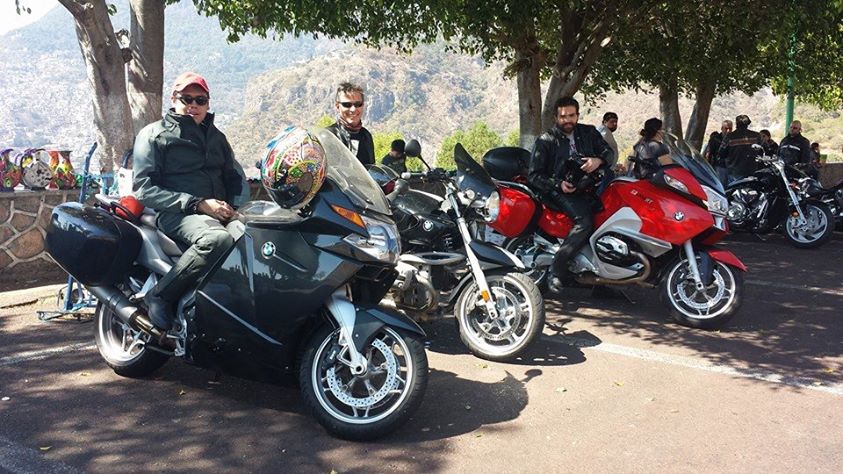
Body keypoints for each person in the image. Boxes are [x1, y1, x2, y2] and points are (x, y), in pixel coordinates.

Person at [133, 72, 245, 332]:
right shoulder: (154, 135)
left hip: (218, 213)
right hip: (176, 212)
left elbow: (234, 177)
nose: (193, 105)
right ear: (174, 99)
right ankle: (161, 295)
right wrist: (197, 204)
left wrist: (237, 208)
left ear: (208, 103)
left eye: (200, 99)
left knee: (255, 238)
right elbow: (144, 189)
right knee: (216, 240)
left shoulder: (217, 137)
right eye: (187, 98)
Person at [527, 96, 611, 292]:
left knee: (611, 217)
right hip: (559, 191)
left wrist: (598, 161)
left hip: (591, 187)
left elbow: (608, 152)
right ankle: (556, 269)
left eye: (571, 115)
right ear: (556, 117)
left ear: (577, 115)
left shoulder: (589, 132)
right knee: (585, 221)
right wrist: (558, 184)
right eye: (563, 116)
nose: (567, 120)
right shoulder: (545, 140)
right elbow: (534, 175)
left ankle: (604, 279)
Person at [327, 82, 375, 166]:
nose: (353, 109)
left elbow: (371, 168)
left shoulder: (366, 136)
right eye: (347, 105)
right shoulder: (329, 136)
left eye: (358, 104)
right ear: (338, 106)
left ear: (363, 105)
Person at [718, 114, 761, 183]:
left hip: (734, 171)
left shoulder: (730, 137)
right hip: (752, 170)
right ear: (747, 124)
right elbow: (761, 151)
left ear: (737, 124)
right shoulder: (756, 136)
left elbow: (721, 153)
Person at [704, 120, 733, 184]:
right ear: (722, 128)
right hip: (719, 166)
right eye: (726, 128)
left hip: (731, 167)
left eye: (730, 129)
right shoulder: (715, 139)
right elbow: (708, 153)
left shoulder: (734, 139)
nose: (728, 131)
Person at [596, 112, 619, 193]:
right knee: (604, 192)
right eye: (612, 121)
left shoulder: (605, 131)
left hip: (607, 167)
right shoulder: (604, 133)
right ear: (604, 122)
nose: (615, 124)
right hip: (605, 169)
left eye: (616, 122)